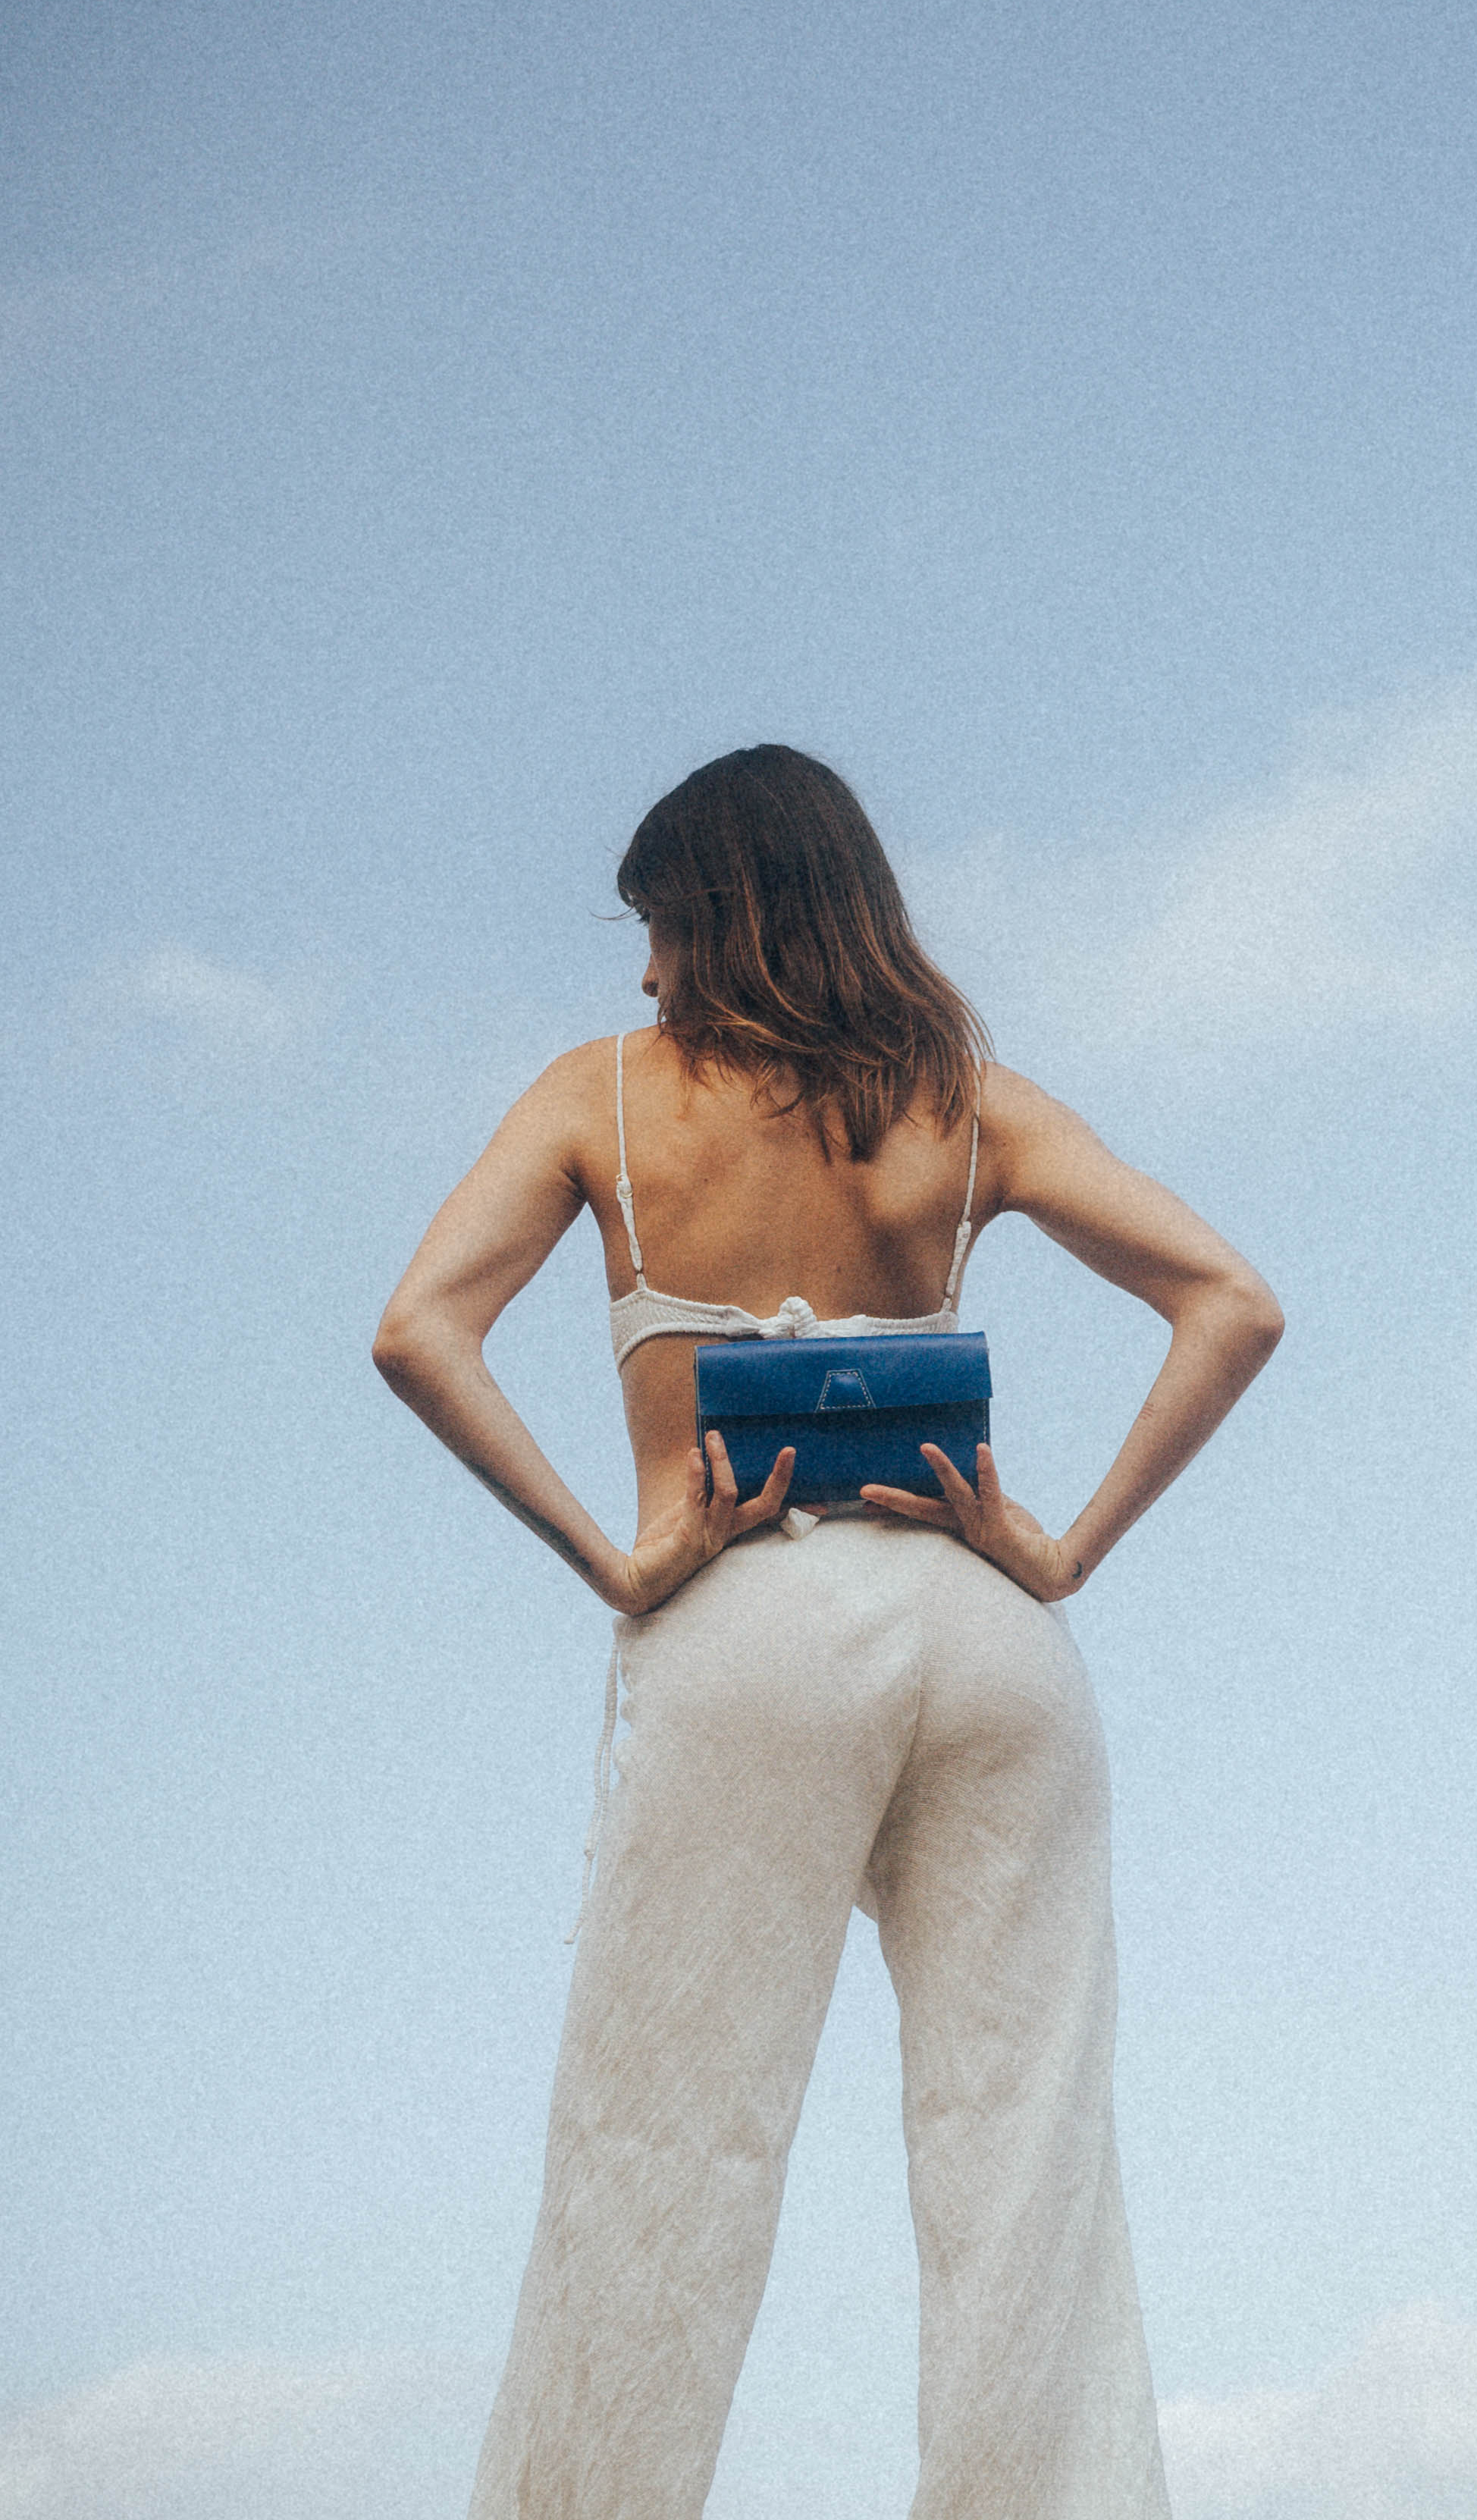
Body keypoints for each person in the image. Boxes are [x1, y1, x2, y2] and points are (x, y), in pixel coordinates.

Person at [372, 744, 1284, 2520]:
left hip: (749, 1627)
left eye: (660, 925)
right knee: (1026, 2156)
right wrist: (1064, 1547)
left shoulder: (604, 1094)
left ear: (727, 912)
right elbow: (1231, 1300)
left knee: (664, 2144)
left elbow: (419, 1329)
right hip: (993, 1646)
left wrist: (613, 1555)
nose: (648, 971)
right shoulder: (963, 1101)